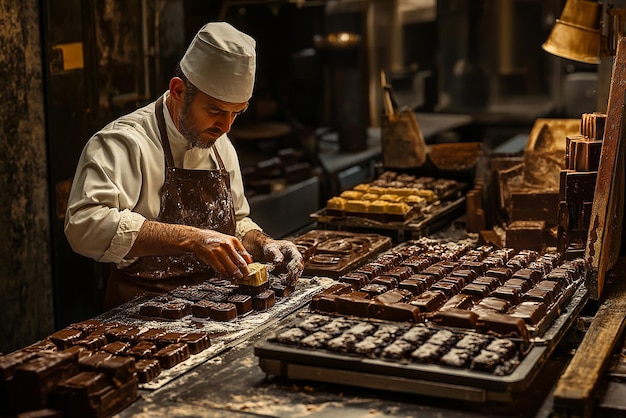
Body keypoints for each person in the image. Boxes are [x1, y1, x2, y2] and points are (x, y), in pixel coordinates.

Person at [64, 21, 304, 309]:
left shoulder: (218, 142)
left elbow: (235, 222)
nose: (226, 127)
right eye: (214, 110)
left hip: (215, 309)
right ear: (178, 90)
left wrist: (264, 243)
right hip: (142, 314)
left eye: (236, 113)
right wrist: (192, 239)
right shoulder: (124, 141)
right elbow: (83, 225)